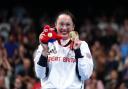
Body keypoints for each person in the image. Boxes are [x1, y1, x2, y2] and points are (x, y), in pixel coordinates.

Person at [34, 11, 93, 89]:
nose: (64, 28)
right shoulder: (46, 45)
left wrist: (77, 51)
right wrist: (45, 51)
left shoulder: (82, 45)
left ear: (73, 27)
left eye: (68, 24)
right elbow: (40, 74)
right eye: (61, 24)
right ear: (55, 25)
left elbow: (85, 75)